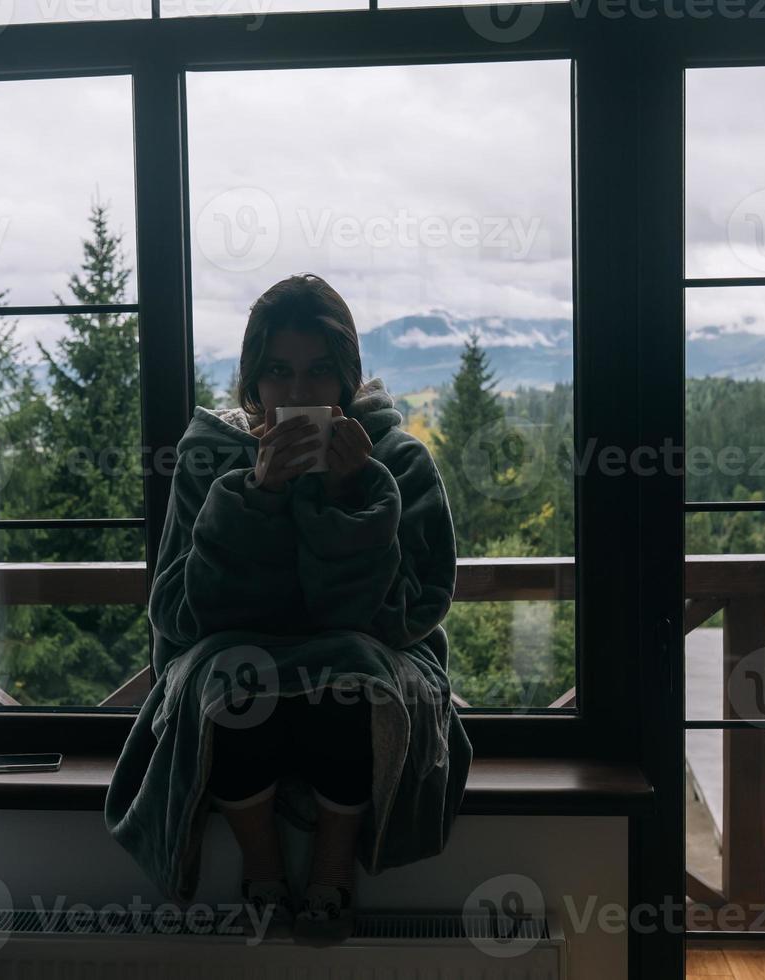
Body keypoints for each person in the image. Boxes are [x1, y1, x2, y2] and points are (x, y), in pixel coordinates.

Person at [103, 273, 472, 946]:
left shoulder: (395, 461)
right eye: (277, 372)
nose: (298, 394)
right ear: (251, 382)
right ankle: (262, 863)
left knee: (348, 668)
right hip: (242, 674)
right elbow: (180, 618)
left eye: (318, 372)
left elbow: (409, 616)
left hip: (355, 671)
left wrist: (352, 500)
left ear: (346, 380)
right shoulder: (211, 456)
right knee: (235, 671)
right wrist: (253, 495)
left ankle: (333, 862)